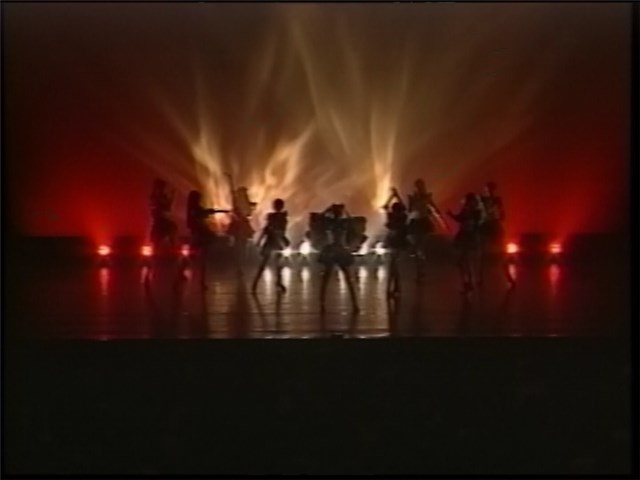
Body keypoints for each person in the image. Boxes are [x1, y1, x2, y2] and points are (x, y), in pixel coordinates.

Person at [317, 203, 359, 313]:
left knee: (328, 278)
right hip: (337, 249)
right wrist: (345, 211)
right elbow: (352, 223)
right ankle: (354, 304)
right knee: (345, 277)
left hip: (336, 249)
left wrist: (328, 210)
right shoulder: (339, 222)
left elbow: (320, 218)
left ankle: (322, 303)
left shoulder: (332, 222)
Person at [186, 190, 229, 289]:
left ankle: (200, 281)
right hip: (200, 235)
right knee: (199, 257)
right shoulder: (195, 209)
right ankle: (201, 281)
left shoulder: (192, 209)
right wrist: (220, 211)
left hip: (199, 235)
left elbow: (205, 213)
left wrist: (219, 211)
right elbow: (204, 213)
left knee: (195, 257)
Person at [406, 178, 448, 281]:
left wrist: (443, 222)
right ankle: (419, 270)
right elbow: (409, 210)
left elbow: (434, 210)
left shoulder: (427, 197)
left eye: (420, 186)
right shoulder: (412, 197)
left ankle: (421, 270)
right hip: (415, 223)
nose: (418, 188)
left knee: (420, 248)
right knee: (417, 248)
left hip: (423, 223)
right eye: (417, 186)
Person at [478, 181, 515, 287]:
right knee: (482, 253)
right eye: (487, 190)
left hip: (494, 226)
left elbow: (501, 214)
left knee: (502, 252)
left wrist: (499, 216)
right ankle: (480, 278)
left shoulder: (497, 200)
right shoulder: (481, 200)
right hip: (486, 226)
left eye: (490, 190)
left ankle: (508, 277)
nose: (489, 192)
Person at [251, 198, 290, 293]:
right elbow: (270, 230)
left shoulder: (276, 217)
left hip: (272, 242)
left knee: (269, 263)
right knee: (275, 264)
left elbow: (267, 230)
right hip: (276, 243)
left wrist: (259, 240)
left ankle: (256, 283)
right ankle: (276, 282)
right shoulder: (281, 218)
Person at [447, 193, 483, 294]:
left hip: (468, 236)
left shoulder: (475, 212)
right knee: (463, 261)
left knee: (464, 260)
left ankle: (468, 283)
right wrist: (451, 215)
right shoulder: (468, 210)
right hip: (465, 235)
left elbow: (472, 222)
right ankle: (467, 282)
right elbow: (460, 218)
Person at [382, 187, 409, 297]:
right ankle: (395, 287)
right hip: (399, 242)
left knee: (392, 265)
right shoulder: (403, 217)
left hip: (393, 241)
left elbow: (385, 207)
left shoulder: (392, 216)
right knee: (393, 265)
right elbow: (404, 207)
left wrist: (392, 196)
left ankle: (392, 288)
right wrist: (396, 195)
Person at [149, 179, 178, 251]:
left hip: (164, 221)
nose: (163, 189)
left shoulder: (163, 196)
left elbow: (169, 206)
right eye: (162, 187)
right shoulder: (154, 196)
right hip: (159, 221)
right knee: (157, 241)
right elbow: (153, 205)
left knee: (171, 237)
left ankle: (173, 251)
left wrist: (172, 196)